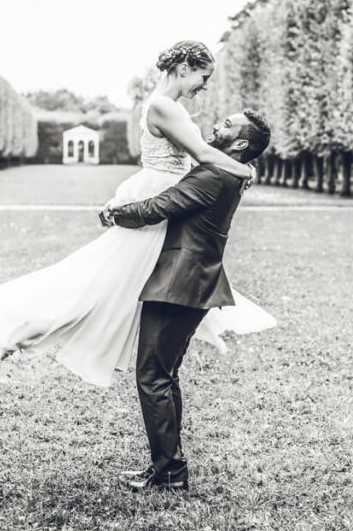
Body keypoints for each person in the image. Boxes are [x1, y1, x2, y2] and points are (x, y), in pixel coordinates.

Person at [0, 40, 275, 387]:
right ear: (184, 69)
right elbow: (201, 153)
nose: (205, 85)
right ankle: (22, 326)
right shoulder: (165, 107)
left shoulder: (170, 106)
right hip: (159, 197)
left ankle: (32, 329)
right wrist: (247, 171)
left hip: (167, 195)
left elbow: (199, 158)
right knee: (102, 279)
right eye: (203, 76)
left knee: (115, 280)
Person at [102, 111, 272, 491]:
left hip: (179, 284)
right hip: (190, 282)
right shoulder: (228, 171)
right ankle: (168, 468)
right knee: (164, 374)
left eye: (228, 125)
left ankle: (169, 473)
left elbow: (159, 207)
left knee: (152, 376)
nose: (217, 125)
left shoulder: (216, 174)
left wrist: (115, 213)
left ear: (240, 143)